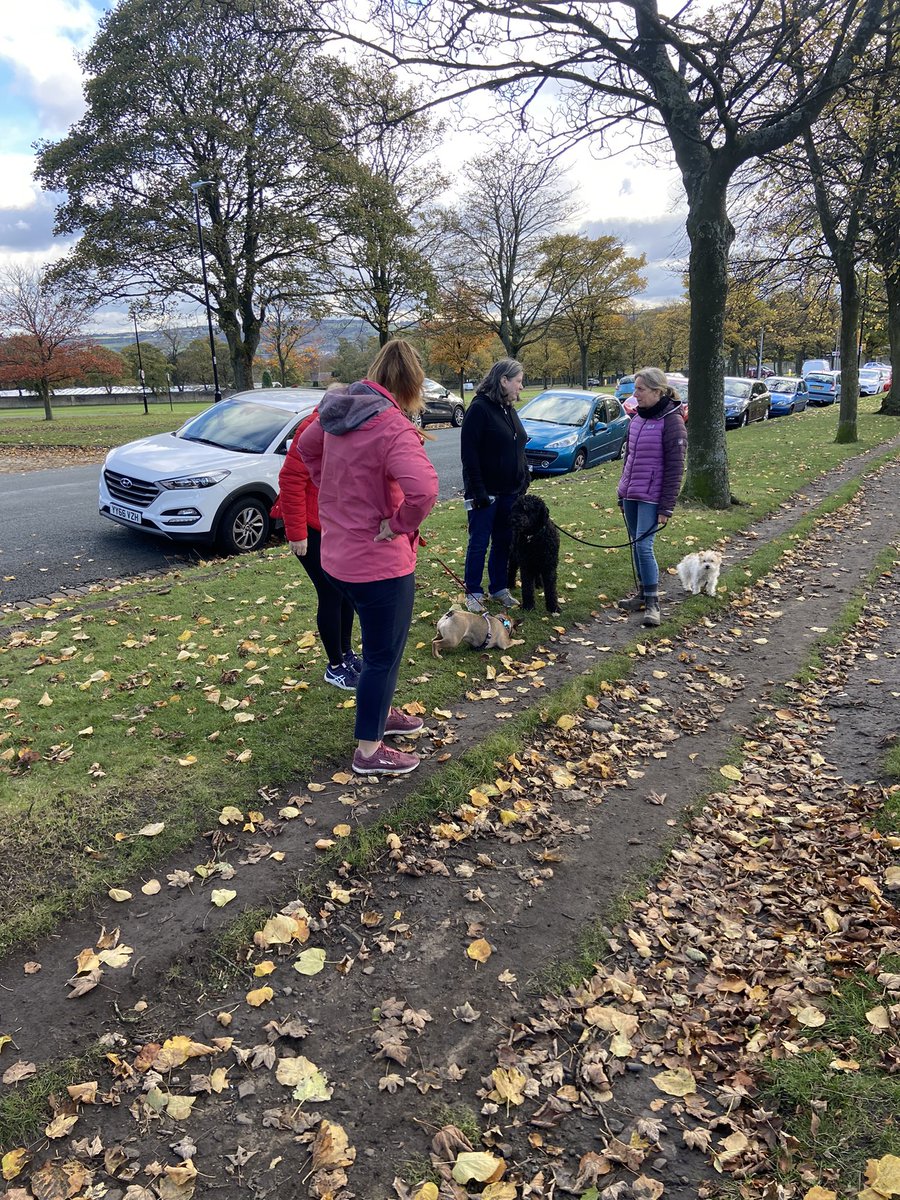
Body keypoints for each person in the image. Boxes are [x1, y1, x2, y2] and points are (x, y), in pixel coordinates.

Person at [299, 340, 439, 776]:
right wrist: (399, 523)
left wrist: (331, 490)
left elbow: (306, 448)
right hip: (378, 564)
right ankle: (368, 751)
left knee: (380, 652)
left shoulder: (336, 412)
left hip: (338, 557)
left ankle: (381, 715)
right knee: (382, 655)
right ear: (412, 384)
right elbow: (425, 490)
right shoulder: (391, 426)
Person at [273, 409, 361, 690]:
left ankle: (346, 653)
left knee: (346, 590)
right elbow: (289, 479)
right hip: (310, 528)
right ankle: (334, 666)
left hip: (332, 525)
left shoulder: (347, 424)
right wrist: (297, 534)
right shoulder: (314, 428)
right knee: (331, 591)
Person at [616, 366, 687, 628]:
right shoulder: (637, 419)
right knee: (635, 545)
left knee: (644, 547)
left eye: (641, 389)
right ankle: (642, 595)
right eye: (635, 389)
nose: (636, 394)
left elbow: (675, 468)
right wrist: (621, 493)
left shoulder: (672, 421)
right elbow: (629, 459)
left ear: (658, 391)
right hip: (632, 494)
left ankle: (654, 602)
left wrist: (666, 507)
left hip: (652, 497)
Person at [460, 358, 529, 612]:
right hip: (485, 493)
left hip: (511, 492)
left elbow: (518, 444)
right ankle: (473, 592)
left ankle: (499, 587)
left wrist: (523, 479)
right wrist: (478, 491)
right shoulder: (479, 408)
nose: (521, 387)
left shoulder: (508, 408)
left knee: (504, 540)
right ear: (503, 380)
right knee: (479, 542)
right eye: (518, 381)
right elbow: (469, 454)